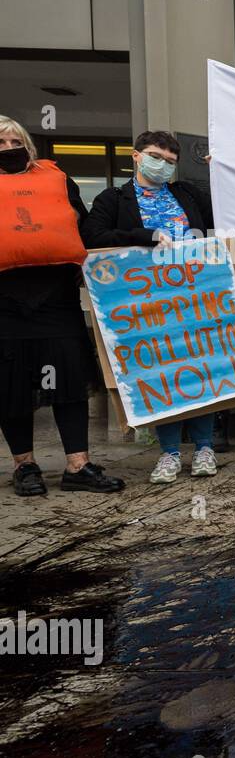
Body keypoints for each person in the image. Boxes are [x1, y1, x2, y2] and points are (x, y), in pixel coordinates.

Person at [82, 130, 222, 483]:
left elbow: (223, 212)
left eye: (170, 162)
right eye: (156, 157)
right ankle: (170, 453)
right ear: (136, 156)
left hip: (195, 299)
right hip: (145, 304)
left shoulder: (186, 193)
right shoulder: (114, 199)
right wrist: (143, 237)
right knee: (164, 375)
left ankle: (205, 448)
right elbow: (93, 237)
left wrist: (220, 172)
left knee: (201, 369)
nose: (162, 165)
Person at [0, 115, 124, 496]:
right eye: (0, 144)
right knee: (11, 386)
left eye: (13, 141)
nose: (8, 149)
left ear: (28, 144)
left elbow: (81, 228)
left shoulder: (58, 180)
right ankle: (25, 466)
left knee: (67, 381)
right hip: (4, 304)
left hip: (57, 300)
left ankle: (78, 465)